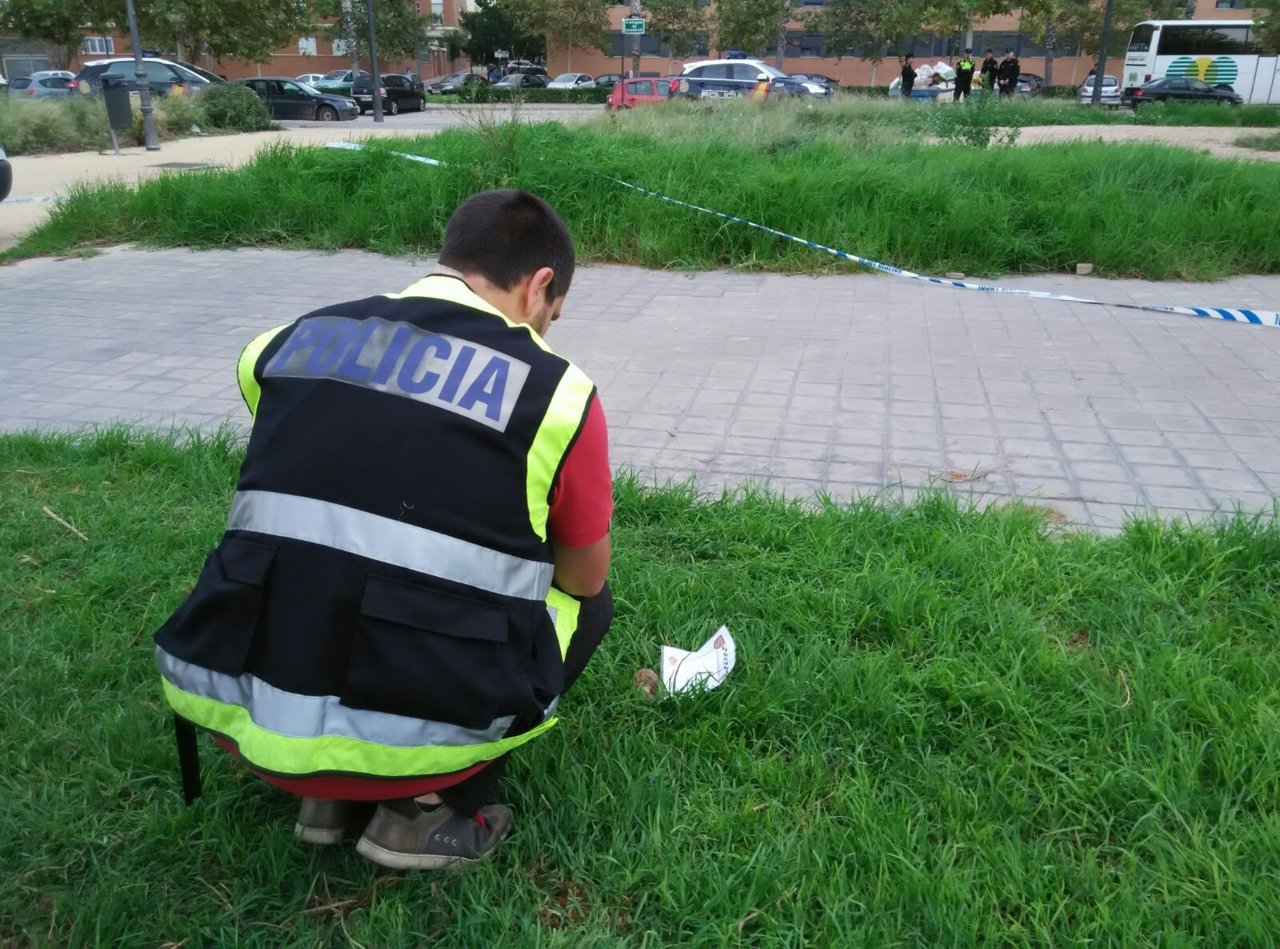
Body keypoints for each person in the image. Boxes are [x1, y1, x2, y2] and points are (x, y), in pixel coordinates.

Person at [153, 189, 614, 871]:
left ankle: (325, 802)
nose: (544, 332)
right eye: (551, 315)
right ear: (539, 285)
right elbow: (583, 575)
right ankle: (423, 810)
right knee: (588, 600)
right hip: (407, 740)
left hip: (244, 705)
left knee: (324, 550)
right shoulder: (559, 393)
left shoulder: (283, 343)